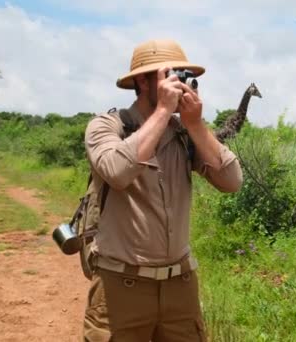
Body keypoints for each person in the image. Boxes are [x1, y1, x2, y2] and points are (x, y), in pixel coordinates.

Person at [82, 39, 243, 341]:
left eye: (182, 75)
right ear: (143, 81)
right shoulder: (106, 126)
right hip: (120, 286)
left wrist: (194, 125)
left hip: (179, 287)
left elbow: (231, 181)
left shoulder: (183, 134)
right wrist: (163, 112)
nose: (179, 83)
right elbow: (117, 171)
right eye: (170, 74)